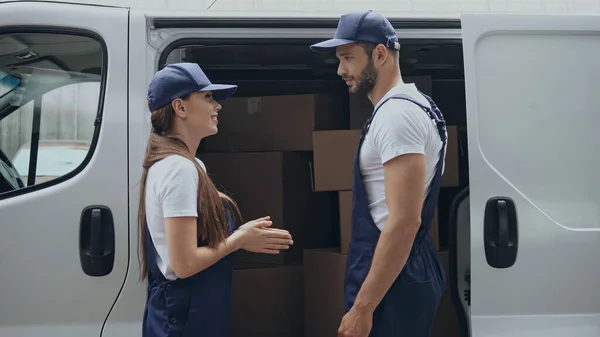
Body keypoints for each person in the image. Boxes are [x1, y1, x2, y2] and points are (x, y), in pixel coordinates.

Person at [310, 11, 447, 337]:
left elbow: (403, 221)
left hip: (393, 282)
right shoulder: (416, 104)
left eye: (348, 58)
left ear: (380, 54)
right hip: (398, 273)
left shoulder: (396, 116)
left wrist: (363, 307)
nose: (341, 70)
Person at [138, 62, 294, 337]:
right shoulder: (178, 168)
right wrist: (239, 240)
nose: (218, 106)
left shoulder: (183, 164)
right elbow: (184, 264)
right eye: (208, 97)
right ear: (180, 108)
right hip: (185, 319)